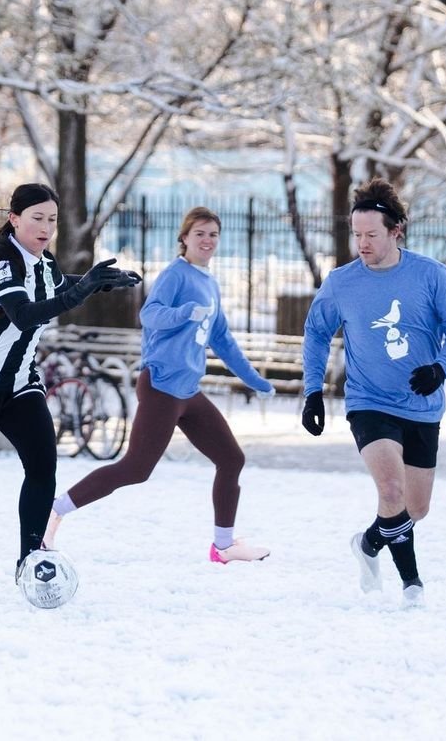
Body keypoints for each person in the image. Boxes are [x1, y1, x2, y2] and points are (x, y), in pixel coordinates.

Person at [0, 182, 140, 594]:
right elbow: (24, 313)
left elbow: (54, 283)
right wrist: (82, 290)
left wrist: (97, 280)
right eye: (37, 218)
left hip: (18, 385)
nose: (46, 227)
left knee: (42, 467)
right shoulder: (0, 262)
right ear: (14, 219)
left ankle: (29, 562)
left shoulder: (44, 263)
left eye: (52, 220)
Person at [44, 206, 274, 563]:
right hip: (161, 385)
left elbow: (223, 340)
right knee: (136, 469)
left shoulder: (209, 282)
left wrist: (255, 380)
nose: (207, 240)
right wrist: (183, 313)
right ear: (184, 238)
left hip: (188, 391)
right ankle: (55, 509)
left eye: (213, 234)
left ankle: (224, 546)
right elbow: (149, 315)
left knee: (231, 459)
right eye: (200, 233)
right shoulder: (176, 275)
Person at [301, 177, 446, 606]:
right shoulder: (342, 283)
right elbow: (316, 333)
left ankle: (369, 543)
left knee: (414, 509)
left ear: (396, 231)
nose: (362, 243)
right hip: (368, 402)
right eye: (356, 234)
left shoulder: (430, 276)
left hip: (421, 406)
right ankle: (412, 584)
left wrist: (441, 367)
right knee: (391, 490)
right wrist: (312, 392)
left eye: (371, 235)